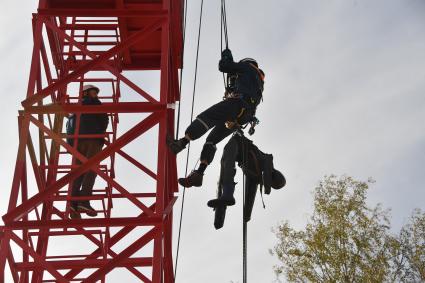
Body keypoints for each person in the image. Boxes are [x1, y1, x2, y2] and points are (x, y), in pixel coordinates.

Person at [167, 48, 265, 188]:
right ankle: (199, 174)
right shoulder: (259, 84)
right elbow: (239, 86)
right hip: (242, 118)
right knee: (211, 140)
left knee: (206, 117)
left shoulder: (247, 68)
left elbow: (224, 67)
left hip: (236, 105)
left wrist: (226, 59)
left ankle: (181, 143)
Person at [208, 130, 286, 229]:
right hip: (239, 142)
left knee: (225, 168)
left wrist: (247, 216)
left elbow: (250, 196)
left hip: (236, 150)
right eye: (271, 181)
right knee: (225, 167)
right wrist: (267, 188)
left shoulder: (256, 179)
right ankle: (223, 207)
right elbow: (267, 172)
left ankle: (222, 208)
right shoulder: (267, 161)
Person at [68, 84, 109, 219]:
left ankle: (73, 203)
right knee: (91, 170)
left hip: (76, 143)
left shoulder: (74, 110)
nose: (96, 95)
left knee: (79, 172)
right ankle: (84, 200)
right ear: (85, 93)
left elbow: (69, 127)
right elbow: (104, 119)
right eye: (93, 93)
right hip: (92, 139)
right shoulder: (94, 104)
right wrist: (99, 132)